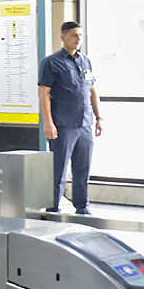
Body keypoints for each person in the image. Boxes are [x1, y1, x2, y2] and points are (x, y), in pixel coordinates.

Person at [37, 21, 102, 215]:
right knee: (58, 169)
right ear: (63, 37)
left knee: (83, 169)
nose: (78, 39)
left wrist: (99, 117)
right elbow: (43, 93)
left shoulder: (85, 61)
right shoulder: (52, 62)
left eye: (80, 35)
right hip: (63, 124)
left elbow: (92, 91)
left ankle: (82, 207)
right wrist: (48, 123)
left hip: (84, 124)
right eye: (74, 35)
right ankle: (53, 206)